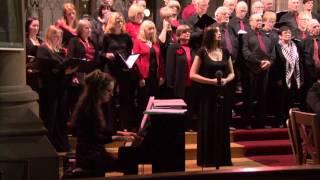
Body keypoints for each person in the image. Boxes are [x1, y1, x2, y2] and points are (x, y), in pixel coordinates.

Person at [67, 69, 139, 177]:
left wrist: (121, 133)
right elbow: (95, 138)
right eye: (109, 90)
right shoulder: (89, 110)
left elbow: (101, 130)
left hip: (92, 153)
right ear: (99, 90)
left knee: (125, 162)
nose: (111, 94)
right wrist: (118, 138)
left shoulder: (91, 104)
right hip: (90, 157)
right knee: (128, 164)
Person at [190, 26, 234, 168]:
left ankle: (222, 158)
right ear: (209, 35)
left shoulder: (225, 52)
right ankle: (207, 159)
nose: (219, 34)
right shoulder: (202, 52)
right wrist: (211, 82)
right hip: (207, 94)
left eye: (220, 32)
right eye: (216, 33)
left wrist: (226, 80)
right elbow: (192, 74)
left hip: (222, 93)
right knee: (208, 123)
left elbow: (232, 73)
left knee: (222, 124)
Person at [36, 25, 78, 152]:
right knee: (51, 118)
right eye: (55, 35)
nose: (57, 38)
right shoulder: (43, 49)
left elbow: (62, 67)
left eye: (59, 36)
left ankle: (62, 146)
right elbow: (46, 70)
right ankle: (49, 148)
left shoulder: (59, 51)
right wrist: (63, 72)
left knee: (61, 118)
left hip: (62, 89)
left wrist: (71, 72)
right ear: (49, 35)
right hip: (51, 90)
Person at [102, 12, 137, 130]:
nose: (120, 23)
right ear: (112, 22)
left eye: (121, 21)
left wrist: (130, 60)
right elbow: (101, 53)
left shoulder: (126, 37)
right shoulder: (107, 36)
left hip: (123, 68)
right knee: (110, 97)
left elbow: (131, 51)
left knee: (124, 97)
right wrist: (107, 55)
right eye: (117, 21)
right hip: (111, 68)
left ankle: (124, 126)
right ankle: (110, 126)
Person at [242, 14, 275, 128]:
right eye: (257, 20)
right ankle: (248, 122)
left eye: (261, 20)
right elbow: (245, 51)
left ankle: (261, 122)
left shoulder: (266, 36)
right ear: (250, 22)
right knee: (250, 96)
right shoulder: (245, 35)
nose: (259, 22)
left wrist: (270, 62)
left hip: (265, 69)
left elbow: (272, 51)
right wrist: (258, 62)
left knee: (263, 96)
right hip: (251, 69)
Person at [133, 20, 164, 121]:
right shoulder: (138, 42)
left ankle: (153, 125)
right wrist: (140, 77)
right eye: (149, 29)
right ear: (143, 30)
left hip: (154, 76)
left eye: (153, 28)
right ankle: (142, 126)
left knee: (154, 101)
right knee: (143, 102)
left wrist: (161, 75)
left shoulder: (155, 43)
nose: (152, 31)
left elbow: (160, 59)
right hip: (144, 77)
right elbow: (136, 60)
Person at [272, 26, 303, 127]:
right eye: (285, 33)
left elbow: (300, 63)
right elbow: (275, 64)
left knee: (291, 101)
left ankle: (289, 122)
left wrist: (300, 77)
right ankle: (280, 122)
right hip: (282, 78)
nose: (288, 35)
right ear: (280, 36)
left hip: (294, 78)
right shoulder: (277, 47)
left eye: (289, 33)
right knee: (281, 101)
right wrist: (277, 78)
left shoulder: (296, 46)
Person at [166, 24, 195, 130]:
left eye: (188, 32)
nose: (187, 33)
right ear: (178, 35)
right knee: (179, 107)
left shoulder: (192, 48)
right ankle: (178, 127)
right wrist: (170, 83)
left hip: (191, 83)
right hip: (179, 83)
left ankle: (188, 126)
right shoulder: (173, 47)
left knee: (190, 106)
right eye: (184, 32)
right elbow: (169, 66)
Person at [25, 17, 43, 93]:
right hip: (31, 74)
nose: (36, 28)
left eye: (37, 26)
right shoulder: (25, 41)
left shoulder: (41, 41)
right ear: (28, 27)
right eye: (34, 25)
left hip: (41, 73)